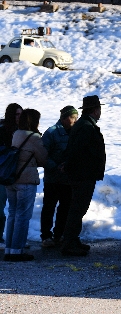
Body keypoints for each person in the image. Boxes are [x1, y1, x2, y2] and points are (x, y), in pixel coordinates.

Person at [61, 95, 106, 256]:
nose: (100, 112)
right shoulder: (86, 127)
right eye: (99, 109)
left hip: (82, 173)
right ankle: (69, 242)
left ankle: (73, 239)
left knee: (78, 208)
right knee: (78, 208)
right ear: (95, 110)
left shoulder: (84, 124)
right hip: (83, 174)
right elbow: (78, 150)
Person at [4, 109, 47, 262]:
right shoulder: (34, 137)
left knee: (12, 214)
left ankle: (9, 249)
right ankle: (17, 251)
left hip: (12, 180)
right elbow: (43, 158)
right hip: (26, 181)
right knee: (23, 216)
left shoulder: (16, 134)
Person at [40, 105, 80, 247]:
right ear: (64, 118)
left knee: (65, 207)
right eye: (72, 117)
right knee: (49, 207)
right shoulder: (51, 132)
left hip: (68, 179)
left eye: (76, 117)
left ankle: (59, 234)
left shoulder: (76, 133)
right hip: (52, 179)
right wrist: (56, 167)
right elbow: (43, 155)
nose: (75, 120)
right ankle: (46, 236)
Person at [0, 102, 23, 243]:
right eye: (16, 114)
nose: (19, 117)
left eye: (21, 114)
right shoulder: (2, 130)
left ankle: (14, 239)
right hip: (3, 173)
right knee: (1, 206)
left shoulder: (22, 130)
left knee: (16, 209)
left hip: (18, 173)